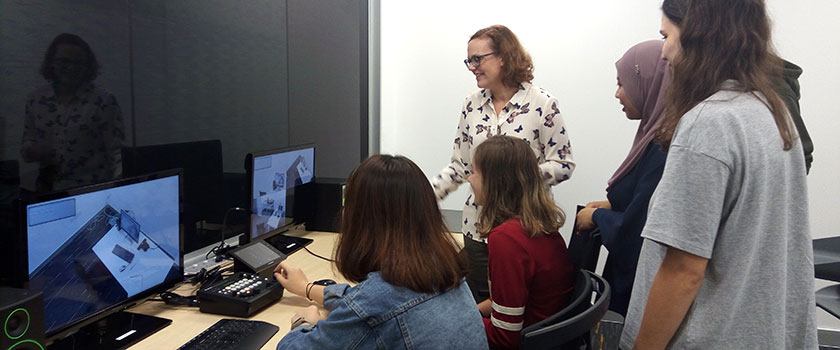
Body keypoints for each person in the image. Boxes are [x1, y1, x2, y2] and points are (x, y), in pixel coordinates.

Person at [620, 0, 818, 348]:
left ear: (699, 36)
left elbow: (684, 269)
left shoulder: (710, 123)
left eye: (666, 36)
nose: (664, 53)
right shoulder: (772, 110)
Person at [273, 155, 487, 350]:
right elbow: (367, 302)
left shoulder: (375, 302)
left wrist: (306, 323)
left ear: (363, 219)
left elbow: (292, 348)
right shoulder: (448, 271)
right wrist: (307, 288)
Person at [433, 24, 575, 303]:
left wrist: (515, 176)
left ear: (503, 57)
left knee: (513, 309)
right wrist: (425, 196)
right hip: (478, 228)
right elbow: (461, 166)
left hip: (526, 227)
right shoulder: (471, 105)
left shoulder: (542, 103)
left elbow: (563, 164)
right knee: (479, 306)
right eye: (468, 61)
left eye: (478, 59)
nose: (472, 67)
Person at [574, 40, 669, 317]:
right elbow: (643, 201)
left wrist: (597, 217)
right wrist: (612, 206)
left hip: (640, 290)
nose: (618, 94)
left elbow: (640, 231)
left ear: (648, 84)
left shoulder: (663, 146)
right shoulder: (651, 134)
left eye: (623, 84)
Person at [468, 135, 575, 349]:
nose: (469, 179)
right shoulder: (539, 227)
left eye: (474, 172)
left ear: (495, 181)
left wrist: (457, 322)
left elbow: (504, 337)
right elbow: (508, 303)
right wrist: (468, 313)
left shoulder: (506, 240)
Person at [21, 33, 125, 192]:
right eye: (64, 61)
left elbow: (117, 153)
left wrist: (120, 190)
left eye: (78, 63)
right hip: (47, 190)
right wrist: (32, 150)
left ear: (88, 66)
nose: (71, 67)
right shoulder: (36, 100)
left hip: (91, 192)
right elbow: (27, 143)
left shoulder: (103, 101)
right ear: (51, 63)